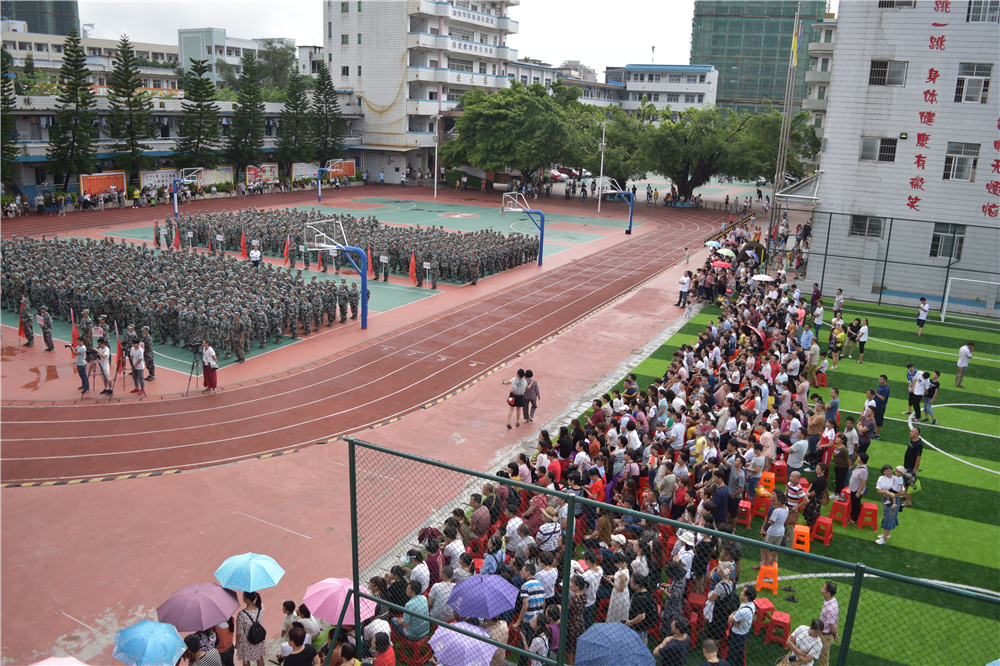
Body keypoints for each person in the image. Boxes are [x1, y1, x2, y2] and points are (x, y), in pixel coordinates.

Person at [727, 587, 756, 666]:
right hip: (743, 632)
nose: (741, 592)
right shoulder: (751, 604)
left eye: (743, 592)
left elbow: (730, 619)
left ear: (746, 596)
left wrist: (733, 615)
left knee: (731, 657)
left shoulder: (744, 611)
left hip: (738, 635)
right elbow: (737, 614)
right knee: (739, 655)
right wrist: (735, 616)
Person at [236, 591, 266, 666]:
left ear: (247, 600)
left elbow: (239, 631)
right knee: (260, 657)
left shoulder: (241, 614)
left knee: (246, 659)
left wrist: (237, 643)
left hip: (247, 639)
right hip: (258, 636)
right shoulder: (261, 607)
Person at [875, 465, 900, 546]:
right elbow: (878, 490)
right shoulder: (881, 478)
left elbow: (902, 491)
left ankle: (883, 539)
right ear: (883, 472)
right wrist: (886, 492)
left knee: (889, 518)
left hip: (894, 501)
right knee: (886, 515)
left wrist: (893, 494)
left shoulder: (897, 478)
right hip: (886, 499)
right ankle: (887, 534)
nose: (889, 472)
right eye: (887, 471)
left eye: (890, 470)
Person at [817, 581, 840, 666]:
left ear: (828, 593)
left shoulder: (830, 609)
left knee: (823, 661)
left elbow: (832, 627)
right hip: (822, 633)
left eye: (823, 588)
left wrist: (835, 634)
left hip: (824, 636)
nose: (821, 589)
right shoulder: (833, 600)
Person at [847, 452, 869, 524]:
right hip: (854, 488)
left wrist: (859, 492)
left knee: (856, 504)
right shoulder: (859, 466)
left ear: (861, 460)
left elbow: (863, 482)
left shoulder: (863, 470)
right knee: (853, 502)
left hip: (856, 490)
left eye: (859, 457)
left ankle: (854, 519)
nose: (857, 458)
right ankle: (852, 515)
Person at [872, 375, 889, 439]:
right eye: (879, 379)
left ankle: (877, 435)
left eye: (881, 379)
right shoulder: (881, 386)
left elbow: (882, 398)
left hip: (880, 407)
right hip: (877, 406)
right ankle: (876, 431)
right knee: (876, 419)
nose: (879, 380)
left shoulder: (886, 389)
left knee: (879, 421)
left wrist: (876, 393)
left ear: (885, 380)